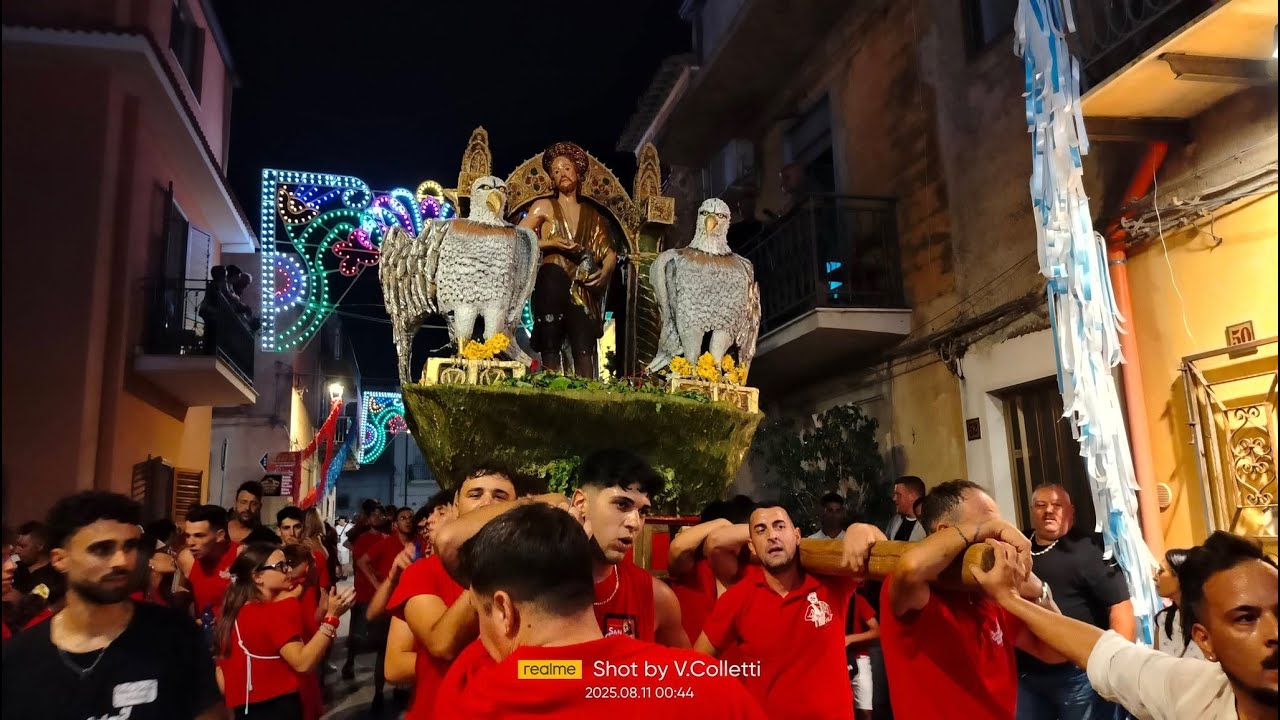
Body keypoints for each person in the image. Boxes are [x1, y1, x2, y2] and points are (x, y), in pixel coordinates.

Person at [431, 502, 767, 719]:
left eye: (480, 612)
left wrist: (539, 503)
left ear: (503, 609)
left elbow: (448, 540)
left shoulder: (475, 692)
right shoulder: (702, 682)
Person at [973, 530, 1278, 720]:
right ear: (1205, 640)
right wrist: (1009, 599)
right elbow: (1103, 651)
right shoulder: (1194, 693)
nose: (1275, 633)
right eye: (1246, 618)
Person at [842, 479, 1064, 719]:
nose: (1000, 539)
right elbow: (911, 566)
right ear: (945, 533)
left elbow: (1057, 650)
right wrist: (861, 528)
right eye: (989, 529)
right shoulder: (916, 592)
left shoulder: (990, 594)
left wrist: (1038, 590)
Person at [436, 448, 689, 648]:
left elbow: (687, 681)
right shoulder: (528, 576)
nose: (634, 523)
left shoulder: (656, 597)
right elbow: (448, 541)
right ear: (580, 502)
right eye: (622, 505)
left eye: (643, 511)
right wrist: (542, 504)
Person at [2, 491, 224, 719]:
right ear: (60, 559)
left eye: (129, 547)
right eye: (102, 549)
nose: (122, 561)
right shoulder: (19, 659)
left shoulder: (176, 637)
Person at [386, 466, 522, 720]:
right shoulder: (423, 573)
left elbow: (557, 665)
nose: (487, 504)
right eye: (475, 494)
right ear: (456, 508)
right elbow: (441, 645)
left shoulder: (533, 577)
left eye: (500, 497)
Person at [696, 506, 858, 719]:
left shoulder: (833, 585)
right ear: (752, 547)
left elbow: (877, 553)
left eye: (780, 526)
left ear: (797, 535)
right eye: (761, 530)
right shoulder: (737, 599)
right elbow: (696, 663)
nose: (772, 536)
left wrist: (859, 528)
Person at [1018, 484, 1135, 720]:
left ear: (1070, 511)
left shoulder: (1090, 549)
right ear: (1032, 511)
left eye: (1057, 505)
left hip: (1079, 673)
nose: (1048, 511)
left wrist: (1115, 664)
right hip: (1027, 673)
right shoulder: (1019, 546)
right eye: (1041, 505)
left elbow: (1120, 606)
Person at [216, 543, 356, 718]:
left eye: (287, 564)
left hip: (247, 707)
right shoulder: (272, 613)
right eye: (280, 566)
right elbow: (303, 662)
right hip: (277, 707)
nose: (288, 569)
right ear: (258, 576)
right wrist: (332, 618)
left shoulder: (237, 610)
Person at [518, 141, 618, 377]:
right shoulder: (543, 207)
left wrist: (605, 271)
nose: (562, 173)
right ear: (551, 180)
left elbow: (609, 252)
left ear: (577, 173)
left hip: (582, 285)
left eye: (566, 168)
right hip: (552, 279)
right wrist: (549, 244)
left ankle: (587, 398)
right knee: (550, 344)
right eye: (556, 171)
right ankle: (551, 393)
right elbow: (519, 236)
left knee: (584, 347)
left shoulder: (592, 215)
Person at [667, 495, 756, 643]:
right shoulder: (691, 568)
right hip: (691, 663)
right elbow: (678, 547)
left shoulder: (756, 569)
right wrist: (723, 525)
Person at [177, 503, 241, 647]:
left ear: (220, 536)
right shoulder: (186, 559)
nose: (190, 543)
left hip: (237, 638)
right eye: (188, 536)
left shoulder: (240, 556)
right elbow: (182, 594)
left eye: (199, 536)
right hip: (205, 639)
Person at [342, 502, 387, 681]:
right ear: (368, 518)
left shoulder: (387, 538)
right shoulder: (363, 539)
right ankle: (350, 662)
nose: (377, 516)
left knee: (382, 633)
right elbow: (361, 563)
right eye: (373, 514)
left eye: (380, 514)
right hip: (365, 591)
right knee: (358, 631)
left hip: (382, 592)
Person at [1153, 548, 1204, 660]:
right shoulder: (1162, 620)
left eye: (1161, 571)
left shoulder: (1207, 619)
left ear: (1181, 577)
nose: (1155, 578)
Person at [845, 587, 880, 720]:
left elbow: (877, 631)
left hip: (859, 658)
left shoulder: (858, 599)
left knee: (865, 710)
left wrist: (849, 639)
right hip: (833, 659)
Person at [885, 476, 927, 542]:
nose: (894, 498)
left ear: (912, 496)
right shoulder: (894, 521)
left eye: (898, 494)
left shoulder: (929, 524)